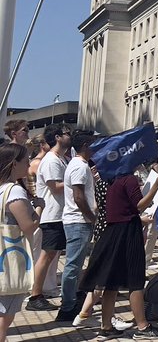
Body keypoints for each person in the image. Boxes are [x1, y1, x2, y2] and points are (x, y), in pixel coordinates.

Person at [79, 165, 158, 339]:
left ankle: (106, 326)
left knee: (111, 282)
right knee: (135, 280)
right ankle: (142, 327)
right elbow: (139, 205)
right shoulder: (129, 179)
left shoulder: (111, 180)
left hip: (112, 232)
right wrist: (156, 186)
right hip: (128, 231)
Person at [28, 124, 72, 312]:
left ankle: (39, 291)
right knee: (46, 255)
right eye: (66, 134)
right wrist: (75, 180)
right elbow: (54, 187)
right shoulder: (52, 161)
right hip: (51, 214)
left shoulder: (60, 159)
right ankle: (35, 295)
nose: (70, 136)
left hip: (59, 214)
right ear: (57, 137)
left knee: (51, 255)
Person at [0, 143, 41, 341]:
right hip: (10, 261)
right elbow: (29, 226)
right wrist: (39, 208)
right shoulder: (14, 191)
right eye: (26, 161)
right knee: (4, 317)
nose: (29, 165)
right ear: (14, 163)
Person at [57, 130, 100, 322]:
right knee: (73, 265)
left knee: (76, 263)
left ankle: (73, 297)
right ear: (85, 146)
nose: (97, 148)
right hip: (78, 221)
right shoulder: (79, 167)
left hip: (78, 220)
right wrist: (91, 217)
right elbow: (78, 197)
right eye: (94, 144)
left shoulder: (81, 166)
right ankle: (67, 305)